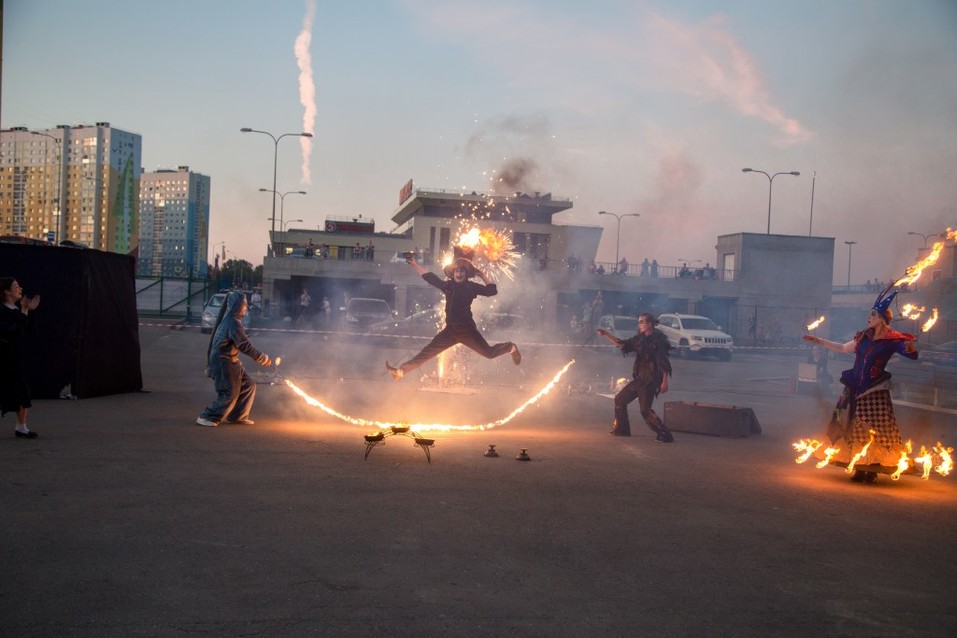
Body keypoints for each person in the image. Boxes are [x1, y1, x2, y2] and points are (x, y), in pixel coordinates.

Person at [802, 286, 918, 483]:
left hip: (874, 389)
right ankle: (858, 466)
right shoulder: (863, 337)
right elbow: (842, 348)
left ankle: (872, 466)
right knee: (853, 426)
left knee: (874, 429)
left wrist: (910, 345)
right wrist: (820, 341)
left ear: (882, 318)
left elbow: (912, 355)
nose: (869, 318)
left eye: (872, 314)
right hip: (854, 387)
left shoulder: (893, 340)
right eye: (869, 314)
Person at [385, 254, 521, 379]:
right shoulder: (447, 286)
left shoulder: (471, 286)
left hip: (467, 330)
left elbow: (492, 291)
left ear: (466, 274)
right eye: (457, 271)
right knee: (426, 353)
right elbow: (429, 277)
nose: (459, 273)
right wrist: (414, 264)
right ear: (453, 274)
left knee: (490, 354)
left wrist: (481, 274)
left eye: (462, 271)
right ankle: (400, 372)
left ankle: (510, 347)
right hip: (450, 331)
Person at [197, 291, 272, 427]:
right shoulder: (232, 323)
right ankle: (208, 416)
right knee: (229, 392)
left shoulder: (232, 321)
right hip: (223, 362)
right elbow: (244, 346)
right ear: (237, 306)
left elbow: (239, 341)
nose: (246, 307)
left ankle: (237, 416)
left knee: (248, 384)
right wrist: (262, 358)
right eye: (244, 305)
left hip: (230, 361)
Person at [596, 312, 674, 441]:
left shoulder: (658, 340)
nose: (639, 324)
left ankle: (664, 434)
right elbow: (622, 344)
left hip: (651, 379)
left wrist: (664, 382)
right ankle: (622, 430)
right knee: (620, 399)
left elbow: (663, 361)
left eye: (642, 322)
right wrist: (606, 334)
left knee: (645, 410)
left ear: (650, 324)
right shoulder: (639, 339)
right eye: (639, 322)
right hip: (640, 378)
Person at [0, 277, 41, 438]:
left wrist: (30, 311)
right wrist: (24, 312)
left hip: (15, 355)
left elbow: (28, 331)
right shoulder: (2, 311)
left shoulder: (16, 309)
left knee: (23, 389)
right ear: (6, 291)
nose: (20, 288)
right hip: (4, 355)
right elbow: (11, 332)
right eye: (16, 286)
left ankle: (21, 427)